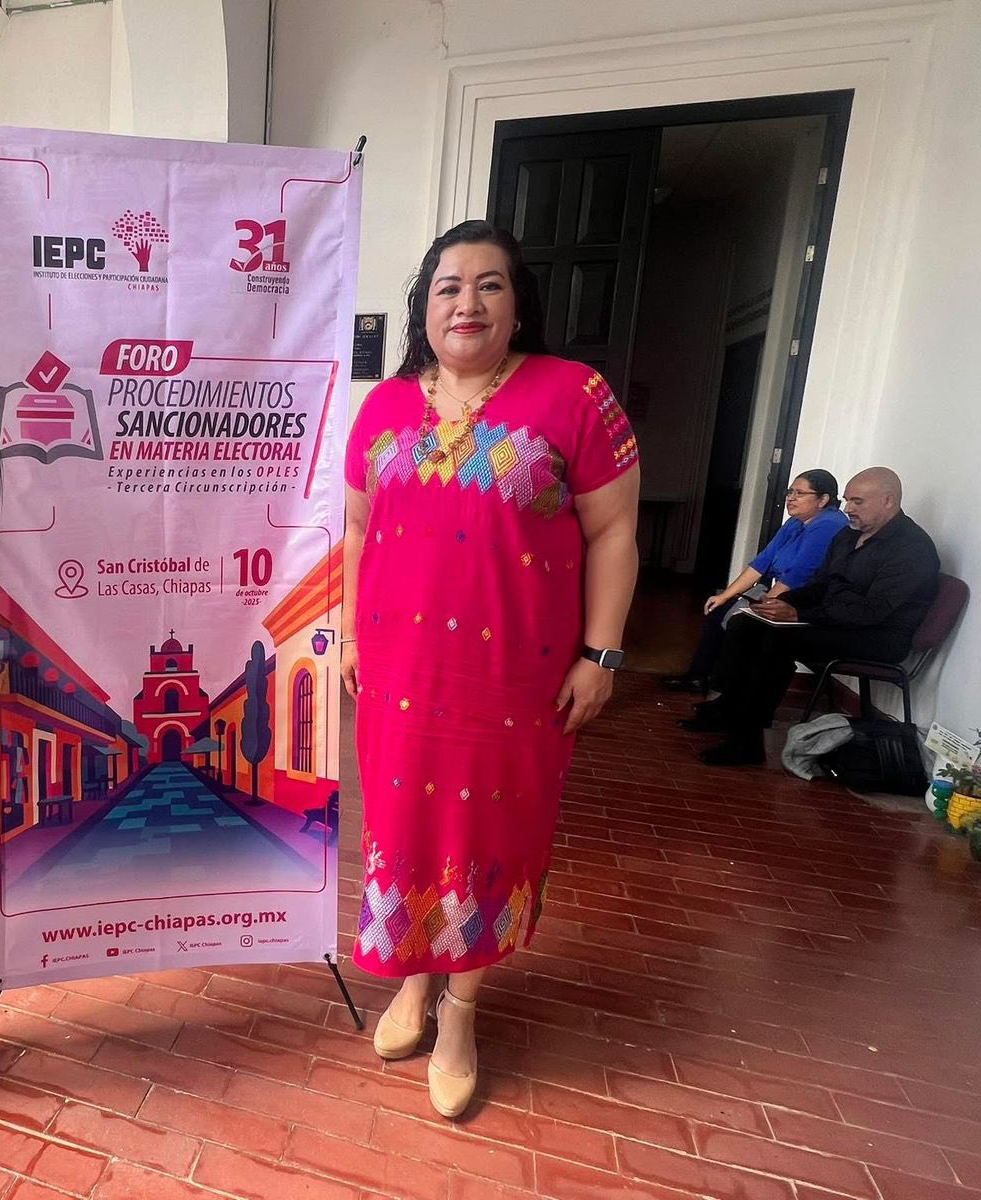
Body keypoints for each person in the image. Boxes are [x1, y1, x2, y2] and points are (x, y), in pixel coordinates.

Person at [341, 220, 641, 1119]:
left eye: (489, 285)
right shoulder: (385, 406)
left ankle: (462, 1012)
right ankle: (413, 983)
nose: (466, 303)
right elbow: (355, 528)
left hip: (513, 679)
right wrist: (350, 637)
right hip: (398, 671)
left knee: (487, 835)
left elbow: (614, 532)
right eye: (447, 286)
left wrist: (601, 652)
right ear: (423, 307)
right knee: (403, 823)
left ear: (518, 305)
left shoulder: (575, 394)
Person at [683, 467, 939, 766]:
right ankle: (726, 708)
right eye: (847, 500)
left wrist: (798, 614)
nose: (848, 509)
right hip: (837, 622)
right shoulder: (848, 535)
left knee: (776, 639)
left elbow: (871, 612)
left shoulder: (911, 548)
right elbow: (821, 584)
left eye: (857, 502)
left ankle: (746, 741)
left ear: (888, 501)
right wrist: (780, 602)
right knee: (746, 623)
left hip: (877, 637)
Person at [661, 469, 848, 693]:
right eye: (790, 492)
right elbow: (762, 562)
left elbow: (798, 575)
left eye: (799, 493)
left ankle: (725, 689)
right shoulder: (796, 522)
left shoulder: (828, 524)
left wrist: (762, 605)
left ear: (823, 499)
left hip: (803, 600)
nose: (791, 498)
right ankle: (699, 677)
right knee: (719, 610)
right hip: (780, 590)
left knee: (741, 622)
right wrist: (725, 596)